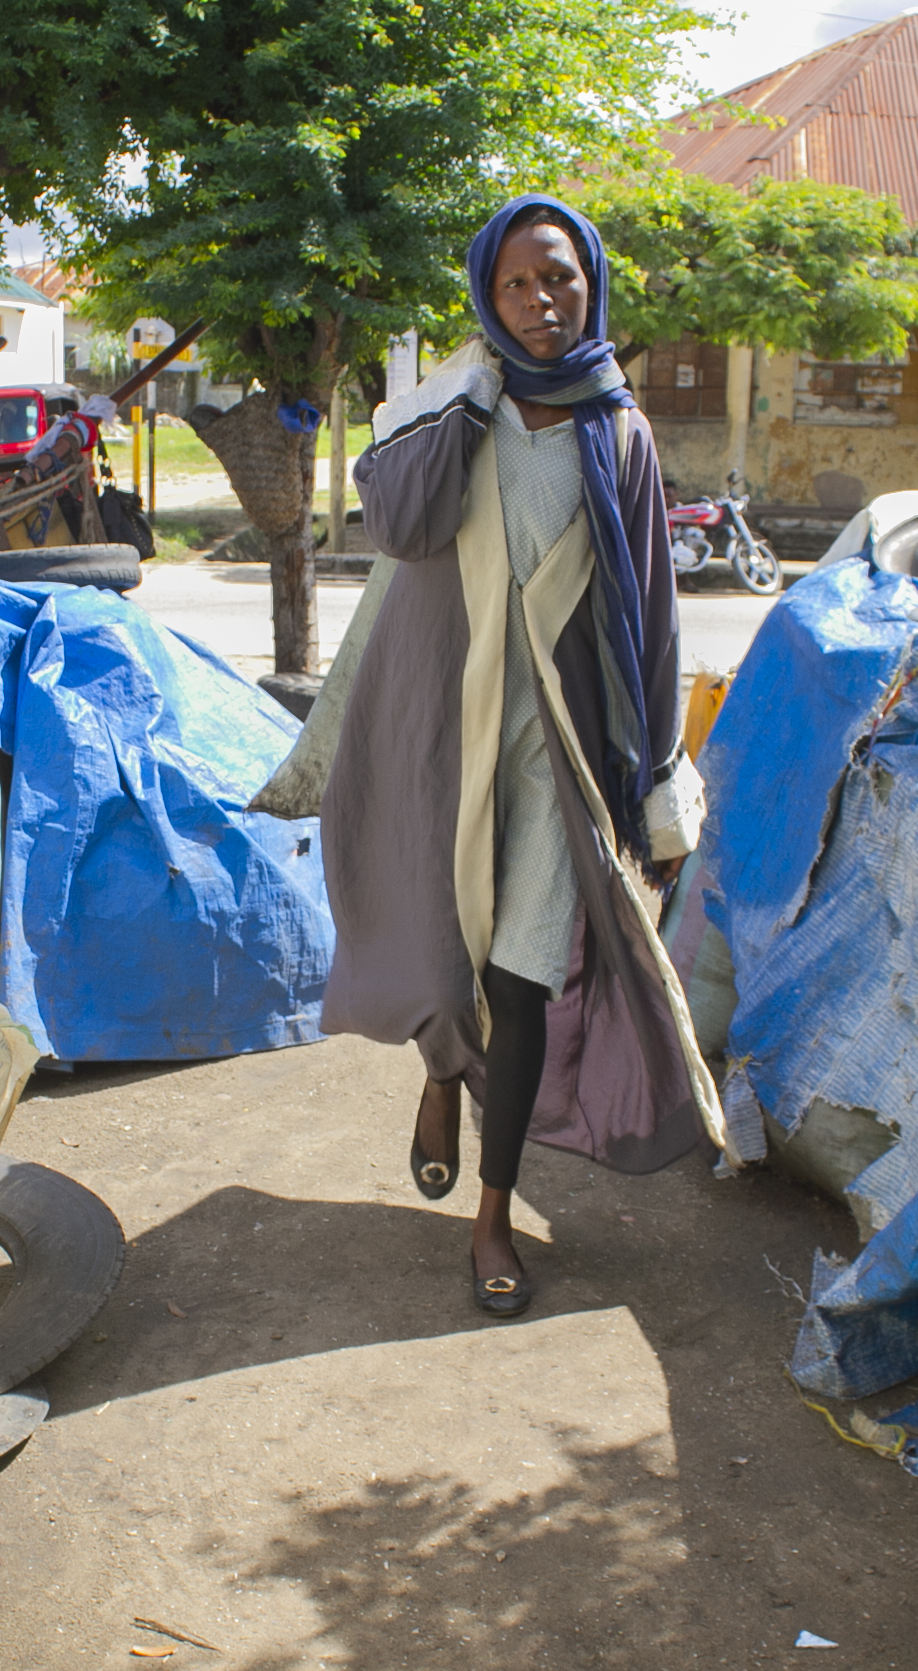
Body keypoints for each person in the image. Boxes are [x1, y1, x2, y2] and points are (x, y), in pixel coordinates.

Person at [322, 196, 722, 1316]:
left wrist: (653, 786)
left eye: (560, 280)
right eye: (515, 285)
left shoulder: (621, 430)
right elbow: (396, 526)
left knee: (525, 976)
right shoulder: (458, 408)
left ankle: (492, 1217)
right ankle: (442, 1070)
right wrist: (469, 395)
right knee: (441, 956)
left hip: (556, 747)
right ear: (485, 298)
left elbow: (649, 607)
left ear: (591, 282)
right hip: (441, 725)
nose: (542, 304)